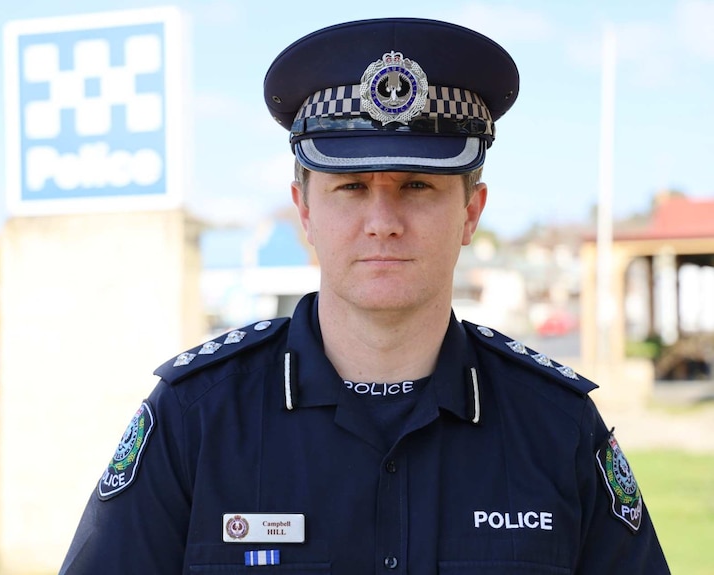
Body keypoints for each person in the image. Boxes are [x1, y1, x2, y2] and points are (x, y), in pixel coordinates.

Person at [60, 18, 670, 574]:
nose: (383, 220)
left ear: (470, 211)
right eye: (350, 186)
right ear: (304, 209)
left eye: (417, 185)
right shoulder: (195, 419)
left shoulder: (557, 427)